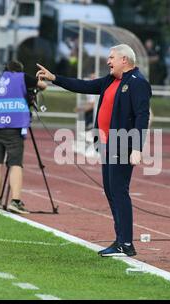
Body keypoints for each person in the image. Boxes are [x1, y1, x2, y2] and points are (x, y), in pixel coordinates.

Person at [37, 44, 151, 257]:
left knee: (118, 191)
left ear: (124, 60)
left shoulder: (138, 83)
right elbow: (84, 86)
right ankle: (121, 240)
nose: (108, 61)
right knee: (110, 190)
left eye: (111, 58)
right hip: (107, 144)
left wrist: (136, 147)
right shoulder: (110, 80)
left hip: (123, 142)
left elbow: (142, 116)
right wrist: (55, 78)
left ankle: (125, 243)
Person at [0, 61, 47, 214]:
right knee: (15, 164)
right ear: (19, 70)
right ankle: (15, 201)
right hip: (14, 125)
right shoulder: (21, 77)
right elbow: (43, 86)